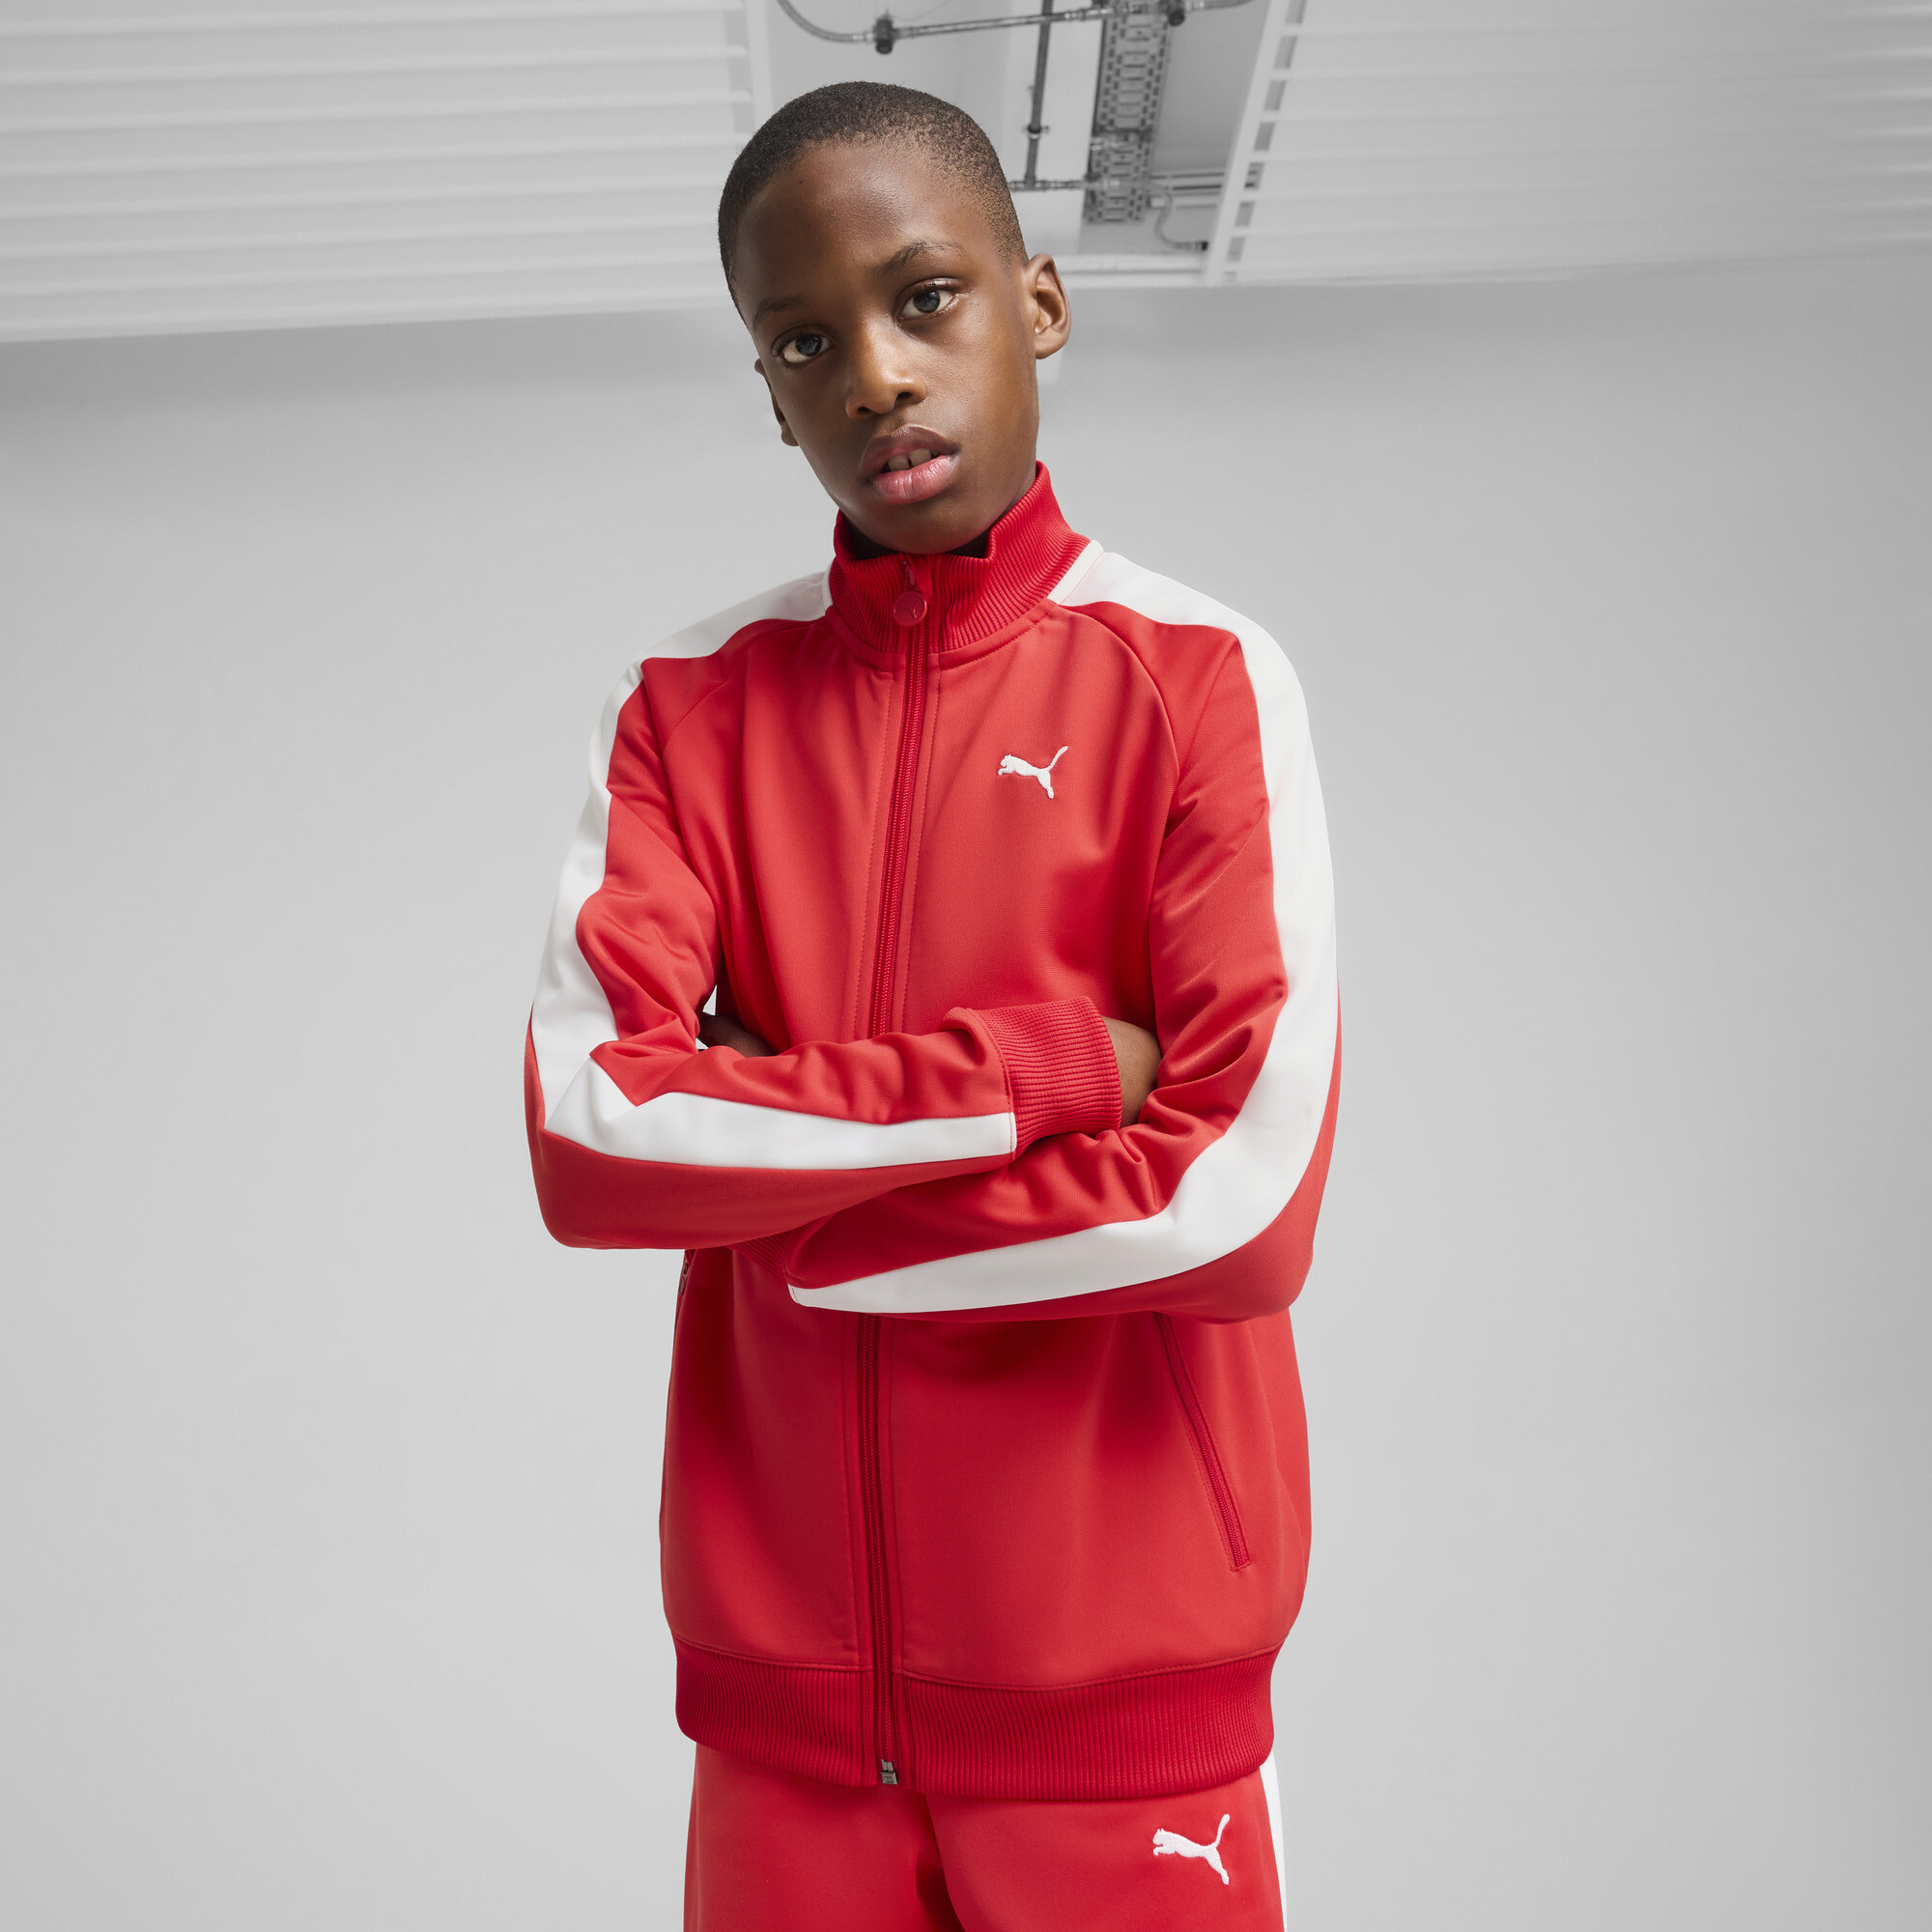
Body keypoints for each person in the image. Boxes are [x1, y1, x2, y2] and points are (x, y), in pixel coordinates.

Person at [525, 80, 1339, 1932]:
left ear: (1038, 302)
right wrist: (1055, 1068)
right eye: (805, 341)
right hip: (784, 1730)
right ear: (770, 391)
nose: (875, 376)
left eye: (924, 298)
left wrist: (790, 1206)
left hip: (1126, 1716)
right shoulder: (686, 710)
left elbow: (1240, 1203)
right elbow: (595, 1136)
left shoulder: (1198, 680)